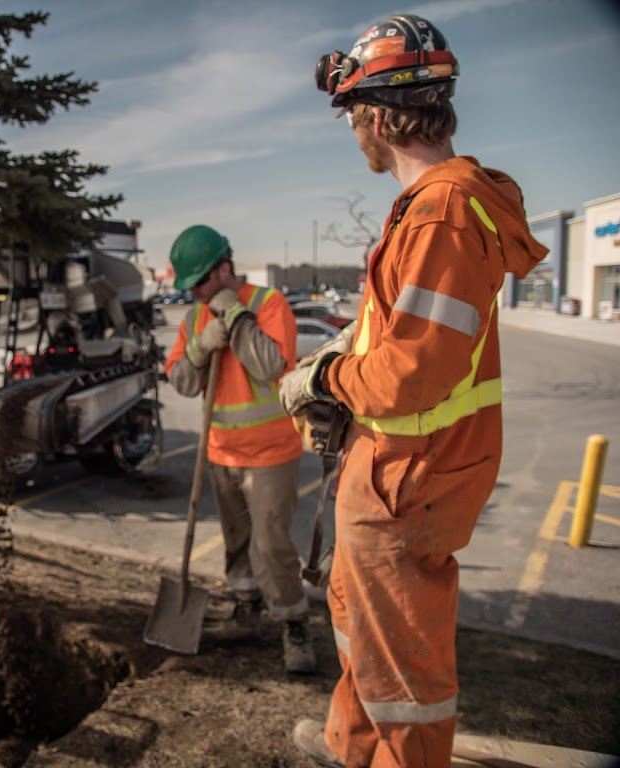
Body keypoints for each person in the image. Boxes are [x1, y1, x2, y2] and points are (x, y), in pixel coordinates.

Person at [280, 14, 548, 768]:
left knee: (404, 676)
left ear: (374, 114)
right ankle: (350, 750)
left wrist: (324, 377)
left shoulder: (443, 215)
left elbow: (416, 370)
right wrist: (347, 351)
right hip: (399, 468)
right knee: (365, 632)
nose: (354, 132)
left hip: (408, 478)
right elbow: (403, 342)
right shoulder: (432, 212)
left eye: (353, 116)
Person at [164, 224, 314, 674]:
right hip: (222, 452)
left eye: (201, 285)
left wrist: (236, 319)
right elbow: (181, 382)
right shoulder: (195, 320)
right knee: (237, 543)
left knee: (272, 545)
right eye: (189, 288)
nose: (194, 296)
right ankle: (246, 612)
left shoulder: (268, 304)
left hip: (270, 452)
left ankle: (294, 626)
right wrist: (200, 346)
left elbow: (270, 366)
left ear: (224, 269)